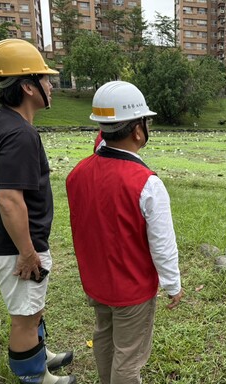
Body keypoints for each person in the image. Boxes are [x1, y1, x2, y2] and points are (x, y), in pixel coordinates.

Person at [66, 80, 183, 384]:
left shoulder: (77, 174)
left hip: (96, 282)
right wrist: (173, 284)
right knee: (129, 356)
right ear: (137, 130)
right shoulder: (147, 183)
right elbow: (162, 244)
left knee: (105, 337)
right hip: (132, 290)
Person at [0, 39, 76, 383]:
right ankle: (34, 376)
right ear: (29, 86)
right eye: (46, 79)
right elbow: (9, 200)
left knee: (32, 308)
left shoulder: (2, 120)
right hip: (12, 247)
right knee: (24, 316)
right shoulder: (19, 134)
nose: (51, 85)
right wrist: (28, 252)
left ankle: (39, 352)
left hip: (3, 242)